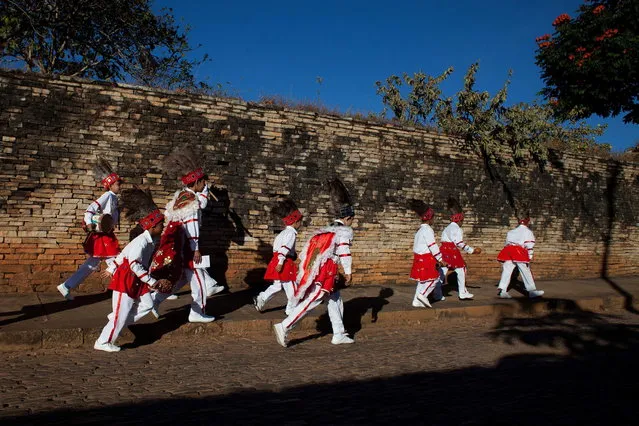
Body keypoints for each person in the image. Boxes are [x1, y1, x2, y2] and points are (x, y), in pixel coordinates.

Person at [273, 178, 356, 347]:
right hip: (326, 271)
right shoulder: (344, 231)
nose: (353, 222)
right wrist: (348, 271)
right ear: (348, 217)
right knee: (312, 301)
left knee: (335, 299)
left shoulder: (328, 229)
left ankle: (339, 333)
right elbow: (344, 252)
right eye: (352, 219)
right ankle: (285, 326)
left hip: (321, 269)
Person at [94, 188, 172, 352]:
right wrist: (151, 281)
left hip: (137, 279)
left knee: (148, 304)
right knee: (121, 314)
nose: (163, 228)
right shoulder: (141, 242)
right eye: (161, 225)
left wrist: (111, 268)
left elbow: (124, 253)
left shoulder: (148, 241)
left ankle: (117, 318)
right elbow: (134, 264)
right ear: (152, 226)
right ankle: (103, 341)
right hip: (127, 279)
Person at [152, 146, 222, 323]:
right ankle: (197, 312)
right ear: (196, 183)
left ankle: (154, 300)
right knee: (198, 280)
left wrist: (204, 190)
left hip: (179, 243)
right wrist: (195, 247)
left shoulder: (183, 196)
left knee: (181, 278)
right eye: (202, 182)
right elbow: (192, 225)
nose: (205, 185)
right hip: (187, 244)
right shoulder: (191, 201)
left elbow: (201, 204)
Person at [57, 157, 122, 300]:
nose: (119, 186)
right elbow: (90, 209)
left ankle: (67, 285)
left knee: (93, 264)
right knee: (117, 260)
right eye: (117, 184)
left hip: (107, 234)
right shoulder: (107, 195)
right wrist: (88, 222)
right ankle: (125, 291)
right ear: (110, 186)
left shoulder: (115, 198)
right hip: (104, 236)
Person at [254, 199, 303, 315]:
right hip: (284, 262)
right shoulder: (291, 234)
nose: (301, 224)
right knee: (292, 287)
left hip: (277, 259)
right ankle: (291, 309)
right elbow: (284, 249)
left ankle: (261, 298)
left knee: (277, 285)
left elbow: (276, 248)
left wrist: (286, 256)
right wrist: (281, 262)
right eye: (300, 221)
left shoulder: (282, 233)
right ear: (295, 221)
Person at [439, 197, 482, 300]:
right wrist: (472, 250)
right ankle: (462, 292)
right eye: (462, 220)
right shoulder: (457, 229)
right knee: (461, 268)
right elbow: (459, 243)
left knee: (443, 270)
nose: (462, 223)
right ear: (459, 220)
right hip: (451, 250)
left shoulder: (448, 227)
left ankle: (436, 291)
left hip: (444, 250)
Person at [409, 201, 448, 308]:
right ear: (429, 218)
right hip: (426, 258)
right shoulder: (428, 230)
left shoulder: (420, 230)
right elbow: (432, 245)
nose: (434, 220)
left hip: (418, 257)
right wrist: (440, 258)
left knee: (423, 281)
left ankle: (416, 301)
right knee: (435, 278)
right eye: (433, 218)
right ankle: (423, 295)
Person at [496, 212, 544, 298]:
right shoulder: (528, 232)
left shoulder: (511, 232)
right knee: (525, 271)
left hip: (509, 251)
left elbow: (507, 243)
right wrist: (530, 255)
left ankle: (502, 290)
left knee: (507, 270)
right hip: (519, 252)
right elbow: (529, 245)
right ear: (527, 222)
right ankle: (532, 291)